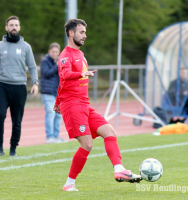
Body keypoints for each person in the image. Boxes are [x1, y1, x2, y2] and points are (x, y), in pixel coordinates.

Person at [53, 19, 141, 192]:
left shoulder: (81, 54)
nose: (85, 35)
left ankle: (119, 170)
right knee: (87, 145)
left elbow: (63, 83)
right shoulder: (65, 55)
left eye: (85, 32)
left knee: (109, 132)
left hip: (84, 105)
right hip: (72, 105)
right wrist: (80, 74)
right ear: (71, 33)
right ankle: (69, 184)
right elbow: (65, 75)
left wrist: (56, 102)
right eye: (81, 32)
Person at [0, 16, 39, 157]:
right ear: (6, 28)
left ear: (19, 28)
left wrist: (35, 83)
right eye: (11, 25)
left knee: (16, 120)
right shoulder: (0, 46)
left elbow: (32, 66)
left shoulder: (26, 47)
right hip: (2, 86)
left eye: (16, 25)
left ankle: (13, 148)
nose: (14, 27)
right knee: (0, 115)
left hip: (19, 87)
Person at [40, 42, 66, 143]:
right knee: (51, 113)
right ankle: (49, 136)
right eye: (53, 51)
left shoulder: (61, 62)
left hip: (58, 93)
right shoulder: (45, 61)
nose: (55, 53)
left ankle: (56, 136)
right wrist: (57, 65)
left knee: (58, 115)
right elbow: (47, 74)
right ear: (49, 51)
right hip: (48, 92)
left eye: (56, 52)